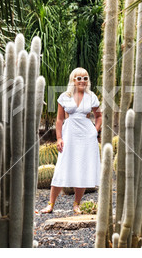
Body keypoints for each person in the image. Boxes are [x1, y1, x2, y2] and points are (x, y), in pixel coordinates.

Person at [40, 67, 102, 214]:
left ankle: (76, 204)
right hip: (69, 134)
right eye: (79, 78)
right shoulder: (65, 96)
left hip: (87, 136)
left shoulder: (91, 96)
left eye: (85, 78)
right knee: (62, 166)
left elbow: (98, 116)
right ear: (73, 80)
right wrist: (59, 138)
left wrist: (95, 131)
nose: (82, 81)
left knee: (81, 168)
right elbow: (60, 119)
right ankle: (50, 204)